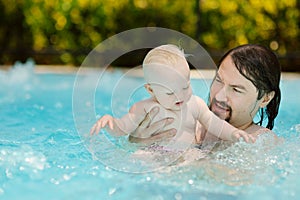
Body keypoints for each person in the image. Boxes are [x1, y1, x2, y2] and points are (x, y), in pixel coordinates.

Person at [90, 44, 255, 148]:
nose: (180, 96)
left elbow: (215, 123)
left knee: (197, 159)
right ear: (151, 90)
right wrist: (109, 122)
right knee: (138, 158)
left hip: (187, 154)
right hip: (154, 154)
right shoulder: (143, 108)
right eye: (170, 92)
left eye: (185, 87)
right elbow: (122, 128)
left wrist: (233, 133)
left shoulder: (194, 104)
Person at [128, 44, 281, 145]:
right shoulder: (189, 117)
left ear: (265, 98)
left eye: (236, 89)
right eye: (219, 80)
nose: (219, 96)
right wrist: (134, 142)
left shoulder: (262, 141)